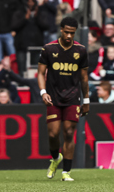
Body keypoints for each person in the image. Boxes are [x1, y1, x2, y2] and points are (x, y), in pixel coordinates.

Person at [37, 17, 88, 182]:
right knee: (53, 134)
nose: (69, 36)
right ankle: (55, 158)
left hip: (72, 97)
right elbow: (40, 73)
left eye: (72, 33)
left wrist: (86, 101)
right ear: (61, 30)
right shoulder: (49, 48)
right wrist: (43, 92)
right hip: (53, 97)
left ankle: (66, 172)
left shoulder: (81, 50)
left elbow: (84, 78)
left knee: (69, 133)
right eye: (66, 32)